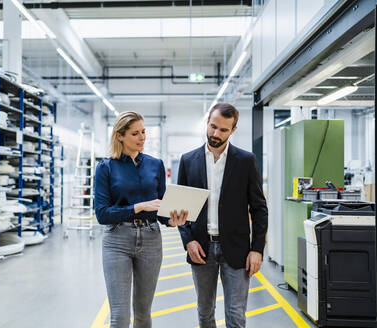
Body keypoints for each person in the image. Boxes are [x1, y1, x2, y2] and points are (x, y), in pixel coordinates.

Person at [176, 103, 268, 328]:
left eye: (223, 130)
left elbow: (259, 208)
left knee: (236, 315)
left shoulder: (245, 161)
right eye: (213, 127)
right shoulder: (188, 160)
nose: (216, 134)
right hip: (201, 248)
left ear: (233, 130)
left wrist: (257, 249)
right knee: (205, 312)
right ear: (207, 122)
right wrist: (188, 241)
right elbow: (180, 210)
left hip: (237, 249)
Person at [94, 111, 187, 328]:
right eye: (135, 133)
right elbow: (102, 214)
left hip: (151, 239)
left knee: (144, 313)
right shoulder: (106, 167)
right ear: (120, 136)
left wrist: (172, 220)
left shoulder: (155, 165)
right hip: (117, 240)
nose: (142, 137)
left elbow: (162, 208)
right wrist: (138, 207)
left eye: (144, 132)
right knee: (119, 316)